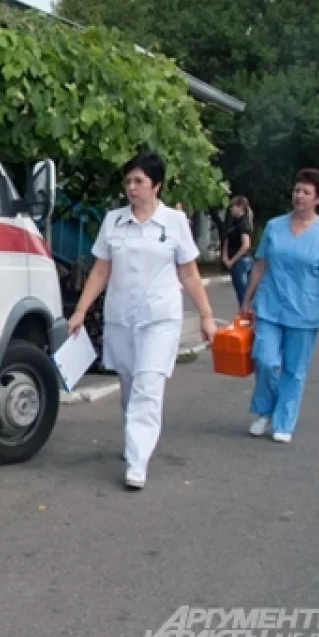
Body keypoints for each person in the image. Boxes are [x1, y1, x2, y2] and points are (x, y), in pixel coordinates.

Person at [68, 152, 217, 490]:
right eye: (128, 181)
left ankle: (137, 463)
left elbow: (190, 273)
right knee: (129, 386)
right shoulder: (113, 221)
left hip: (160, 317)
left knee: (148, 386)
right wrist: (80, 311)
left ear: (156, 186)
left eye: (139, 182)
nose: (131, 188)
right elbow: (101, 269)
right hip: (122, 317)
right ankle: (135, 441)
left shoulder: (175, 224)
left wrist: (207, 316)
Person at [238, 169, 319, 443]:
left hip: (305, 310)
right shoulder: (274, 226)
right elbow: (261, 264)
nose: (299, 196)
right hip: (270, 306)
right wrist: (247, 299)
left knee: (294, 370)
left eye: (306, 192)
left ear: (318, 199)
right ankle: (265, 410)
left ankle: (284, 421)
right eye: (297, 190)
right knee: (265, 359)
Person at [223, 196, 254, 306]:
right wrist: (225, 256)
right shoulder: (234, 222)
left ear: (240, 207)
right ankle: (246, 317)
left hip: (241, 262)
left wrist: (232, 260)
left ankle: (246, 319)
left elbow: (246, 245)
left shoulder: (243, 223)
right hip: (236, 262)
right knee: (241, 293)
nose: (231, 209)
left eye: (233, 206)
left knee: (243, 295)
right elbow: (227, 240)